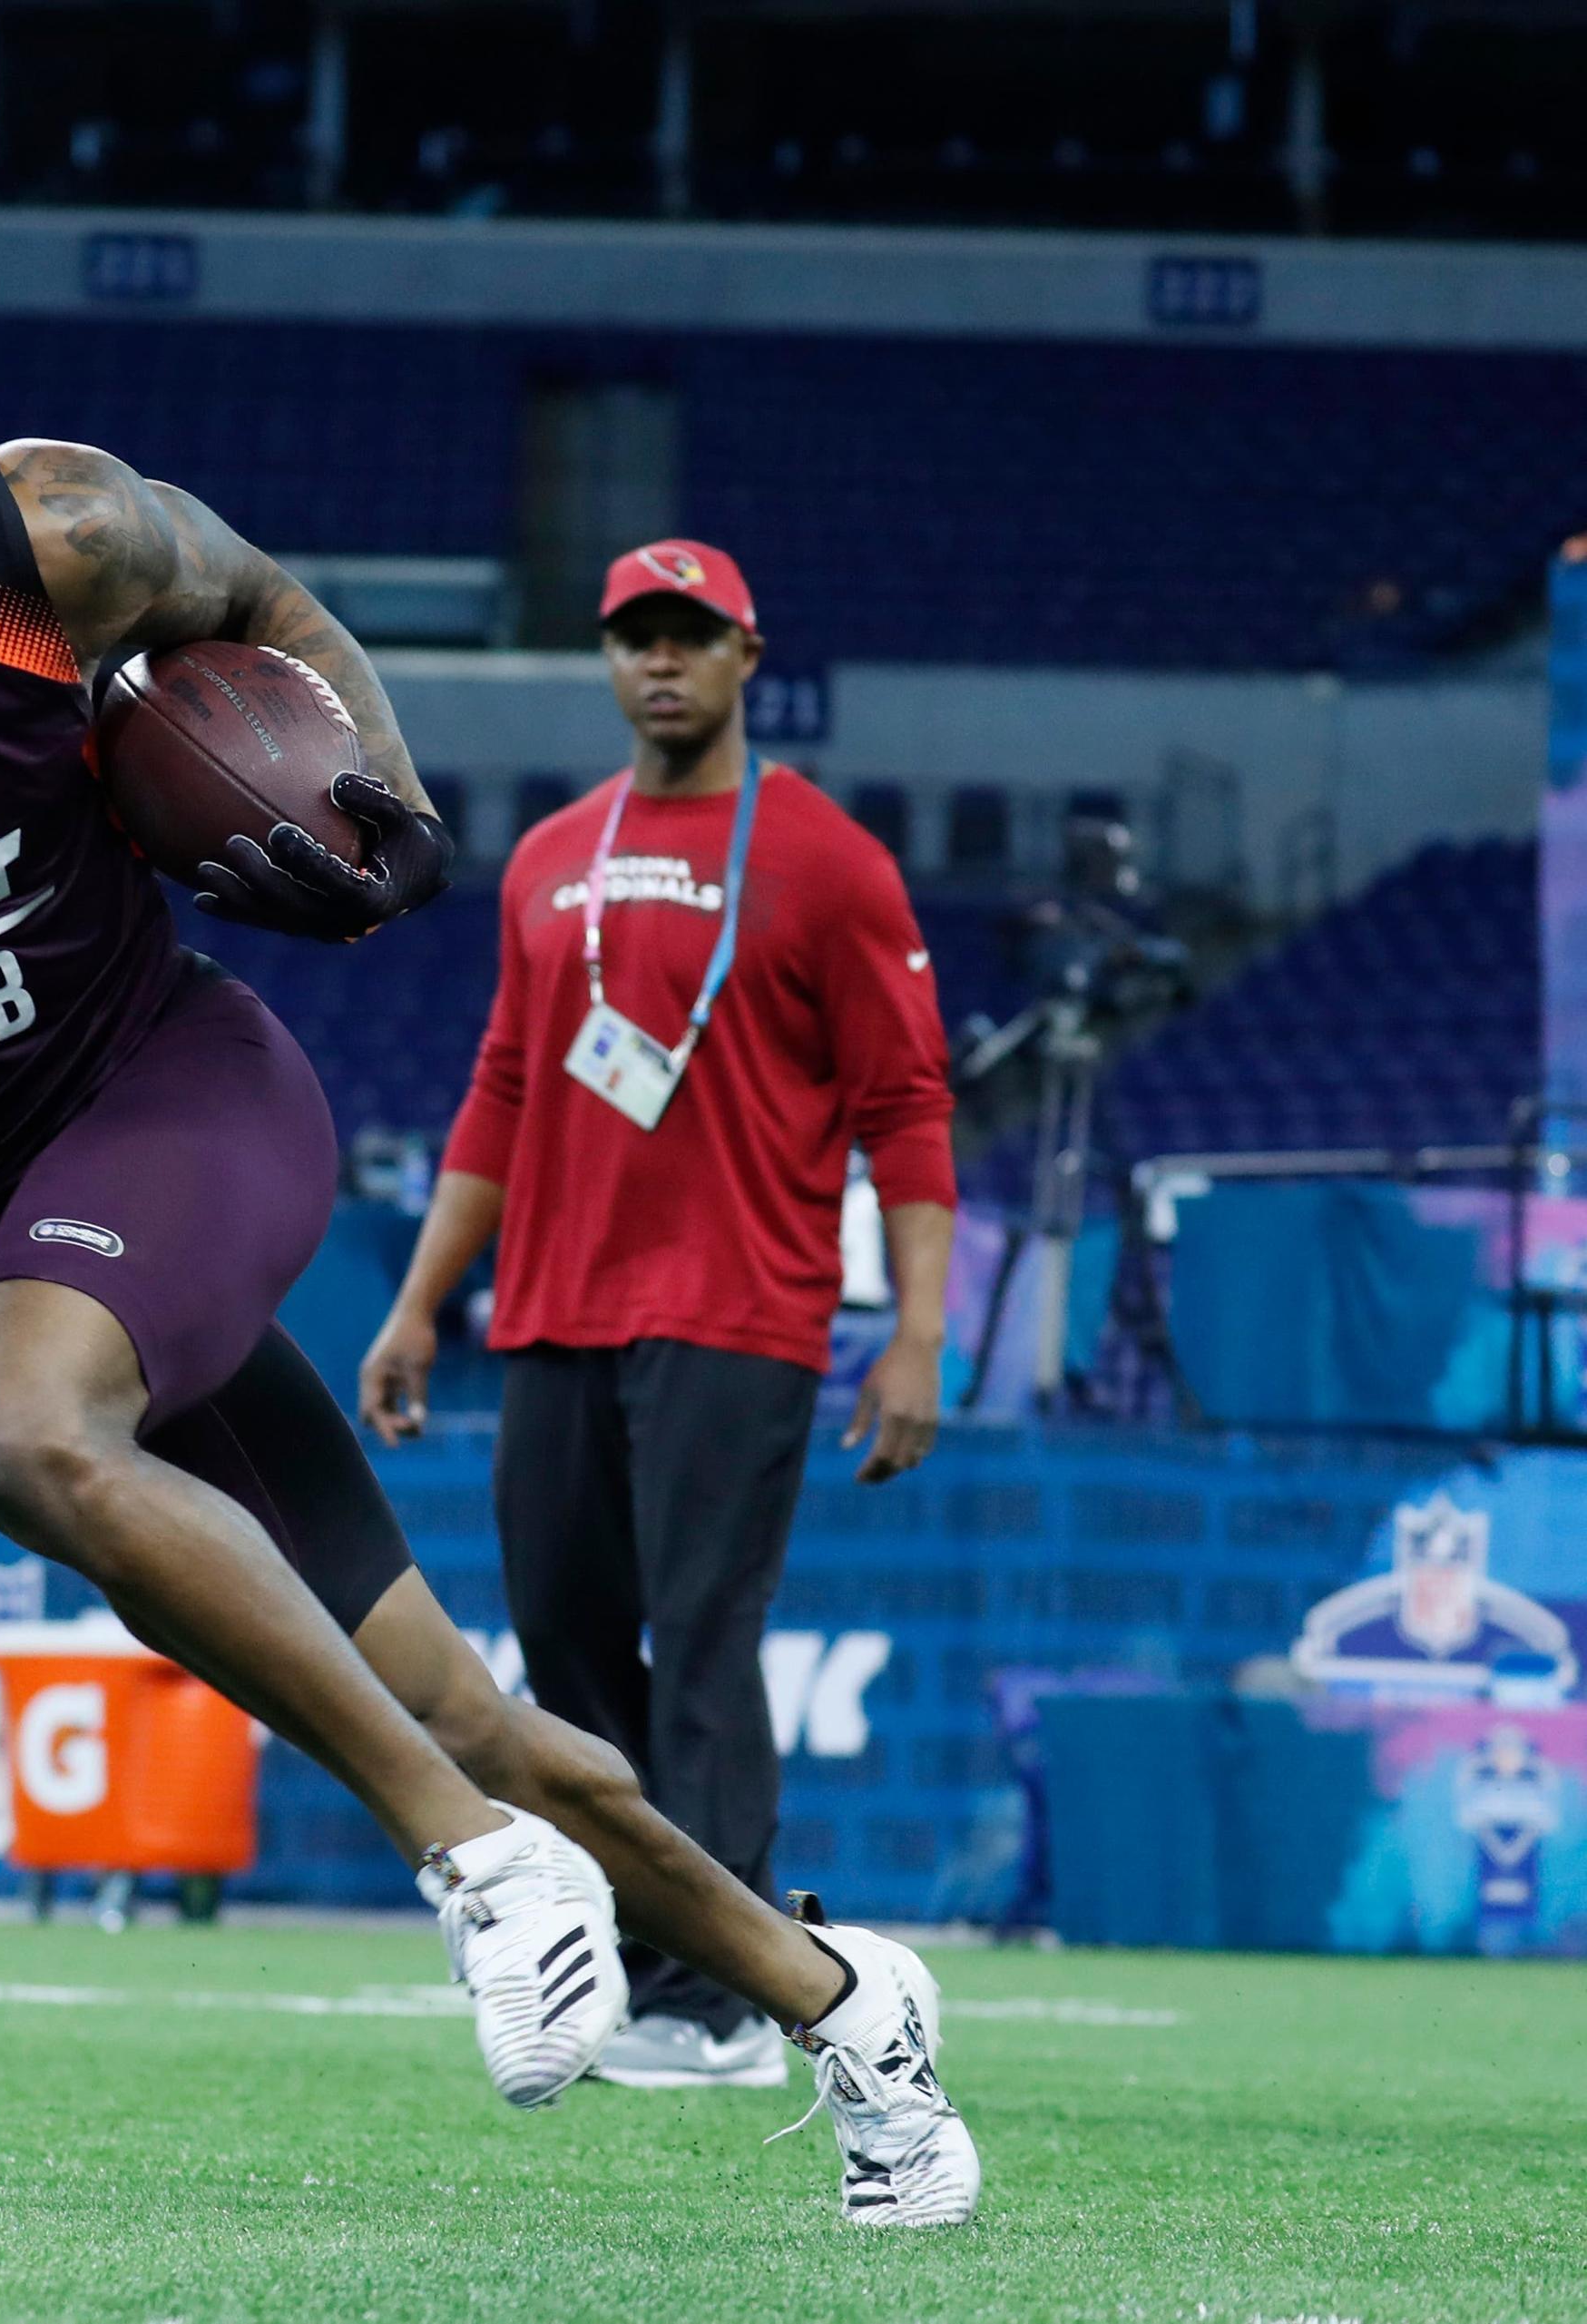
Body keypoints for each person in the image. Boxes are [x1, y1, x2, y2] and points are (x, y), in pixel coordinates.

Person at [0, 251, 974, 2223]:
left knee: (9, 1429)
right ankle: (854, 2012)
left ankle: (471, 1861)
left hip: (185, 1098)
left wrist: (394, 808)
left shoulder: (45, 535)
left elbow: (264, 600)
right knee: (465, 1696)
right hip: (19, 1230)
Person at [358, 540, 956, 2094]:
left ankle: (731, 1996)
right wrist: (422, 1303)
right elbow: (502, 1088)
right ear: (610, 662)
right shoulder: (556, 854)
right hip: (552, 1305)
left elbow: (908, 1105)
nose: (662, 661)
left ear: (749, 655)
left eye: (692, 635)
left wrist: (919, 1335)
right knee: (562, 1655)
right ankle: (630, 1960)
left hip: (738, 1308)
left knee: (702, 1645)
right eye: (637, 637)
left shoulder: (829, 859)